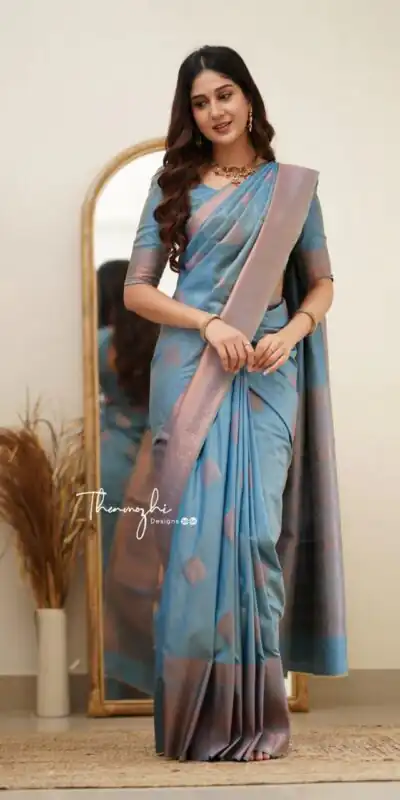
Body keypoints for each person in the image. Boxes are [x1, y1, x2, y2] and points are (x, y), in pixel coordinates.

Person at [103, 45, 347, 761]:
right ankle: (194, 719)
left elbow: (322, 283)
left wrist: (291, 333)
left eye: (225, 94)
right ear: (190, 113)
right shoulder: (173, 184)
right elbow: (137, 290)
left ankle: (256, 716)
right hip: (192, 372)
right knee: (192, 546)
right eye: (201, 101)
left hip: (268, 375)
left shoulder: (290, 190)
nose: (215, 111)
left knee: (256, 540)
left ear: (249, 98)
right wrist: (208, 323)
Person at [97, 261, 159, 698]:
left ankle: (115, 687)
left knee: (109, 576)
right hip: (158, 464)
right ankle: (161, 684)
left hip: (110, 465)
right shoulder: (167, 341)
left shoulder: (101, 344)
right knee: (152, 574)